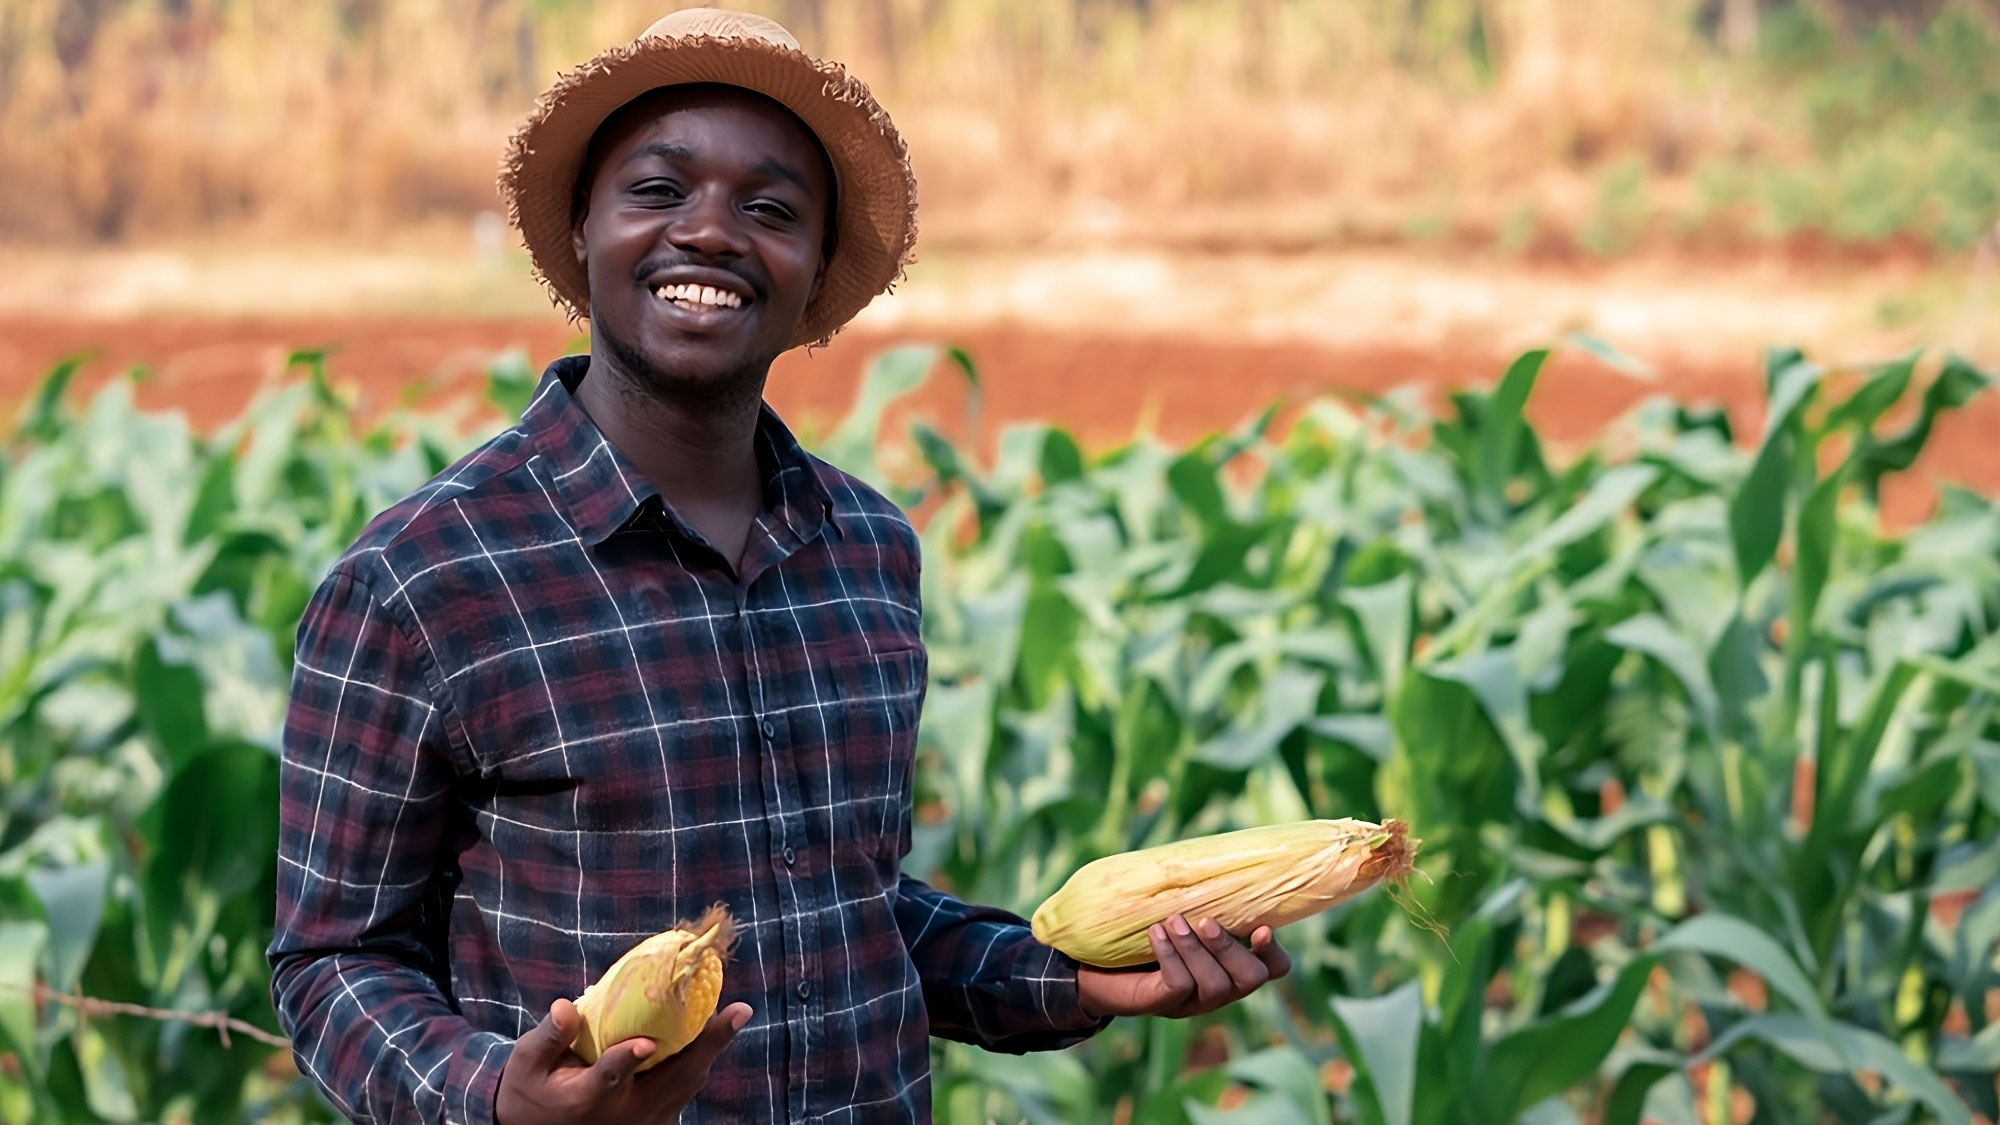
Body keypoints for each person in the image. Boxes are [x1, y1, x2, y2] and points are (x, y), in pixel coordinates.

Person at [266, 9, 1290, 1123]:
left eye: (769, 210)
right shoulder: (425, 577)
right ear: (580, 232)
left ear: (812, 278)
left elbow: (849, 910)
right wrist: (495, 1102)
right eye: (657, 192)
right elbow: (331, 960)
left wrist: (1072, 977)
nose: (709, 234)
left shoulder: (866, 550)